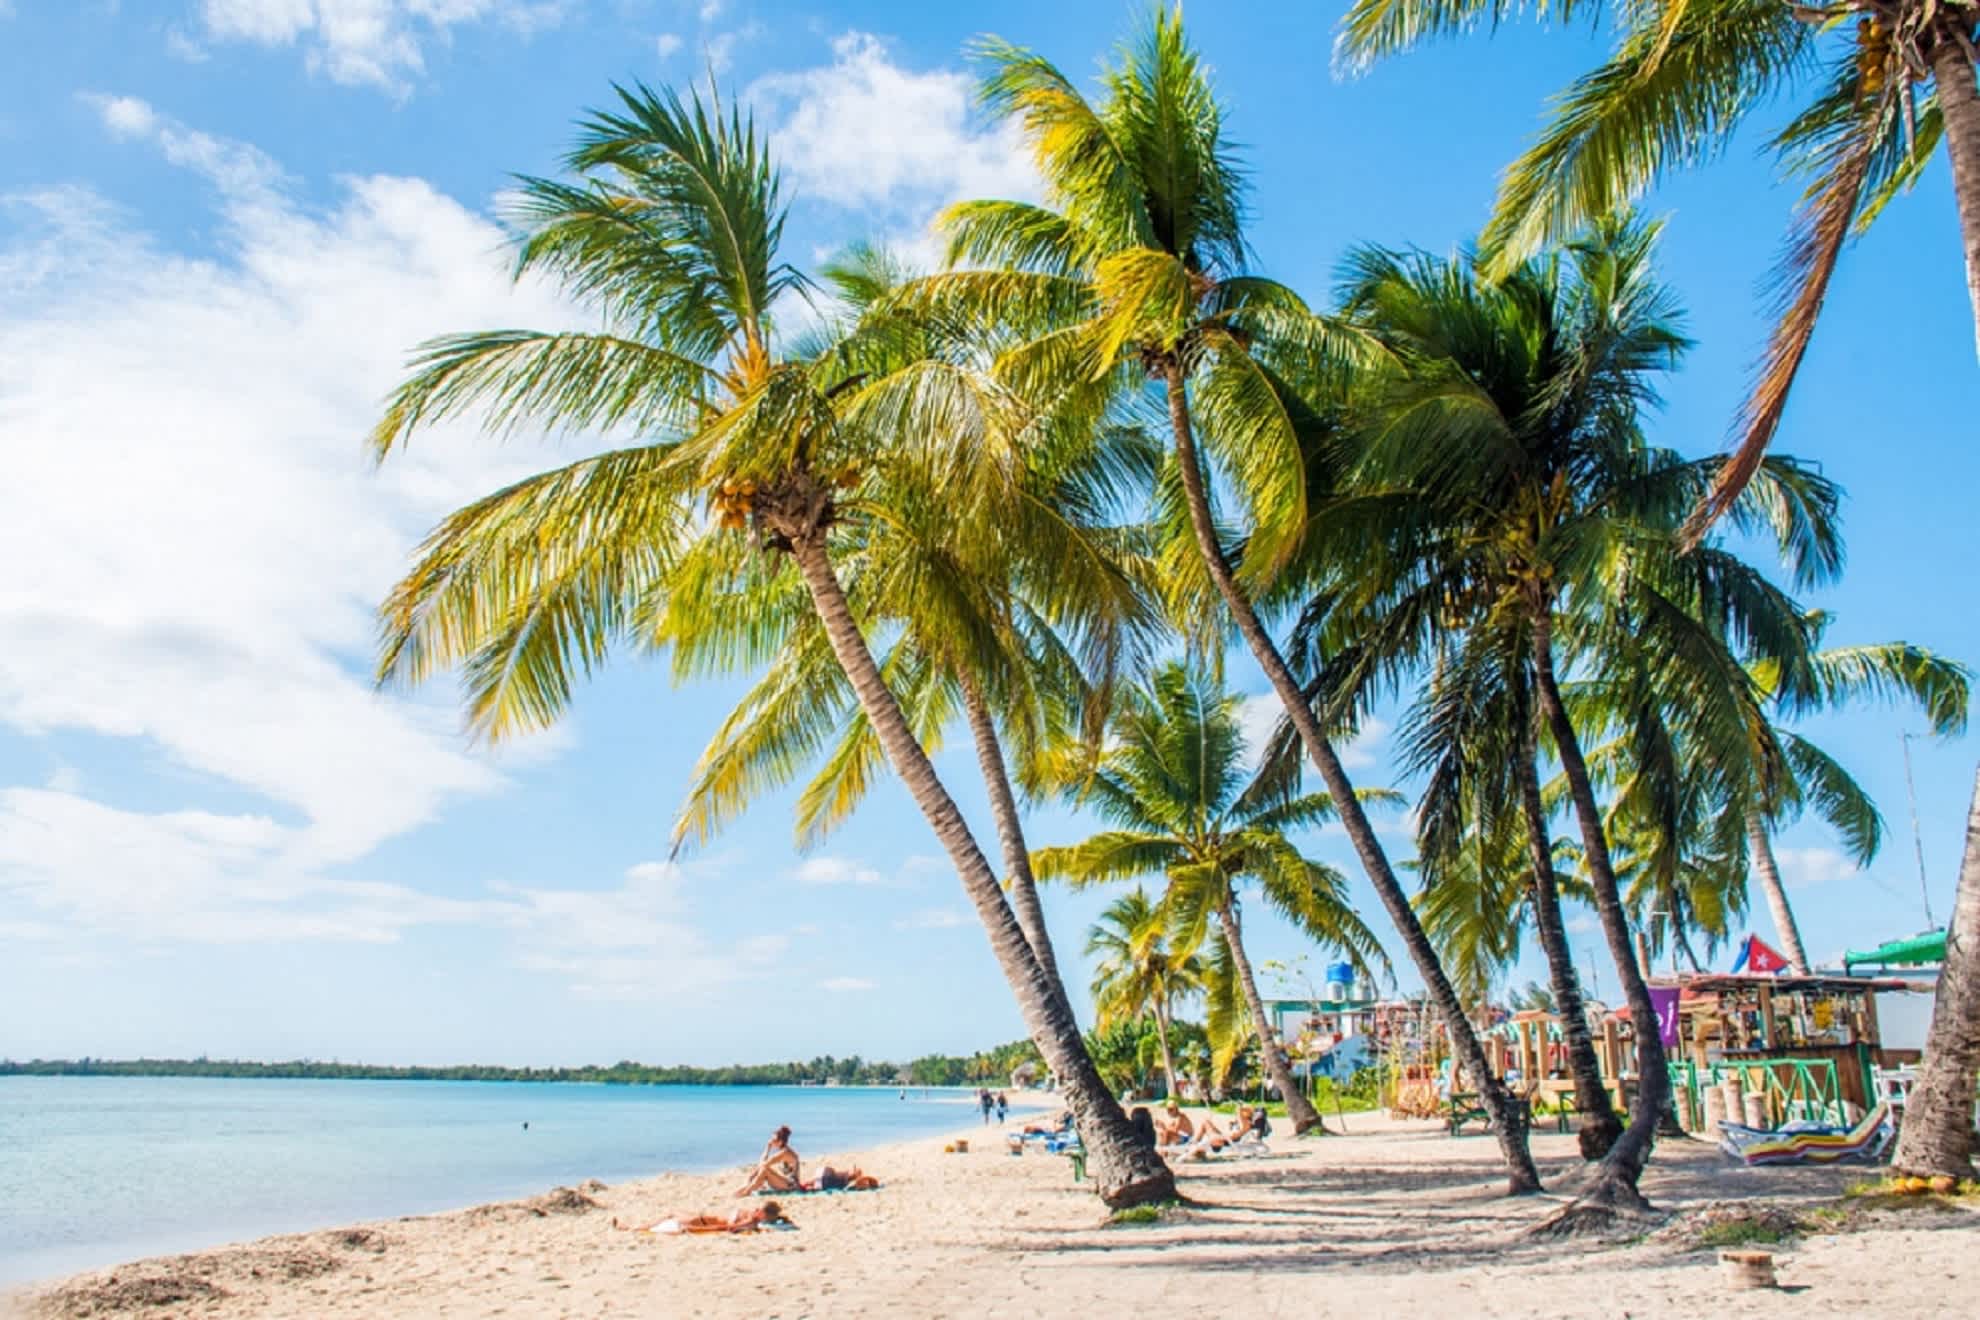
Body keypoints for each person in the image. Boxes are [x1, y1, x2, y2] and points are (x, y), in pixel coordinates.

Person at [615, 1201, 789, 1235]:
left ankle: (630, 1228)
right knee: (671, 1214)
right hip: (702, 1217)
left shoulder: (750, 1221)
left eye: (760, 1209)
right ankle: (631, 1227)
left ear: (763, 1215)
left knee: (669, 1218)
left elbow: (725, 1228)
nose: (756, 1208)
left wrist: (696, 1230)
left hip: (701, 1222)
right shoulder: (752, 1217)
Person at [734, 1126, 800, 1197]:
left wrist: (768, 1147)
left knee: (764, 1170)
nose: (771, 1141)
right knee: (762, 1171)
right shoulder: (785, 1150)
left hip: (791, 1186)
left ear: (780, 1142)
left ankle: (746, 1192)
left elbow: (764, 1163)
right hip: (786, 1183)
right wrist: (753, 1175)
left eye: (773, 1140)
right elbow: (763, 1164)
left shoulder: (784, 1153)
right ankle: (742, 1191)